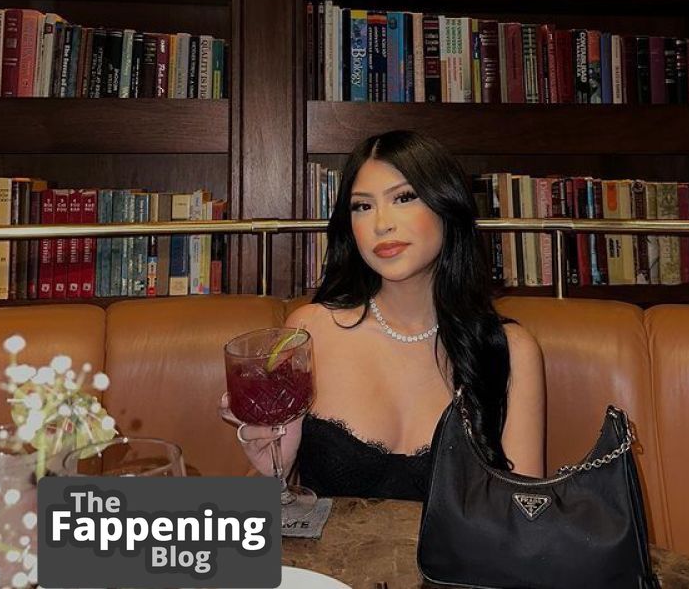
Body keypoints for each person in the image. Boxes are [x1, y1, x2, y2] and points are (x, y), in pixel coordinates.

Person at [224, 129, 546, 501]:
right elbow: (254, 517)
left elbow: (526, 518)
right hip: (322, 543)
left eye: (404, 197)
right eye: (362, 206)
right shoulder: (309, 331)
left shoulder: (510, 350)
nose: (381, 224)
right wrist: (272, 470)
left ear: (448, 206)